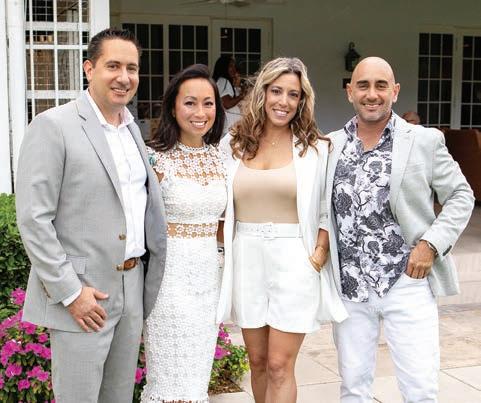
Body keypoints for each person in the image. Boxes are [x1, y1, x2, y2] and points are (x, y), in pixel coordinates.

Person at [15, 28, 167, 402]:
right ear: (89, 68)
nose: (124, 77)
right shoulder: (53, 126)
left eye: (132, 68)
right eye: (113, 66)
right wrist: (71, 293)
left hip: (131, 287)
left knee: (118, 397)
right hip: (84, 294)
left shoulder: (132, 130)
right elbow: (34, 219)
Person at [326, 57, 475, 402]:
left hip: (407, 281)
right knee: (353, 388)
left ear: (394, 91)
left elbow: (460, 195)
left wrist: (431, 244)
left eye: (381, 85)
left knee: (420, 389)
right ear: (350, 92)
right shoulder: (331, 145)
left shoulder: (423, 140)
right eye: (363, 85)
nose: (372, 94)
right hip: (350, 287)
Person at [218, 57, 347, 403]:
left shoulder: (315, 148)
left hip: (294, 259)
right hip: (246, 258)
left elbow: (327, 207)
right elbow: (218, 204)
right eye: (277, 91)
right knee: (258, 362)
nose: (284, 101)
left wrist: (319, 253)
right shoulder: (233, 144)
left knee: (279, 365)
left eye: (293, 94)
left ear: (302, 101)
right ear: (263, 93)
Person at [141, 64, 227, 402]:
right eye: (190, 103)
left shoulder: (222, 157)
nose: (200, 112)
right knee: (170, 382)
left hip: (208, 279)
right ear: (173, 107)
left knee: (195, 382)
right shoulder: (154, 158)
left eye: (208, 103)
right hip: (169, 281)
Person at [213, 55, 246, 135]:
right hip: (228, 129)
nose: (234, 69)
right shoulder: (223, 81)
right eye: (231, 66)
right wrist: (242, 96)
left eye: (234, 66)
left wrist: (237, 84)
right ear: (223, 67)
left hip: (231, 129)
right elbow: (227, 104)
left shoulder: (223, 82)